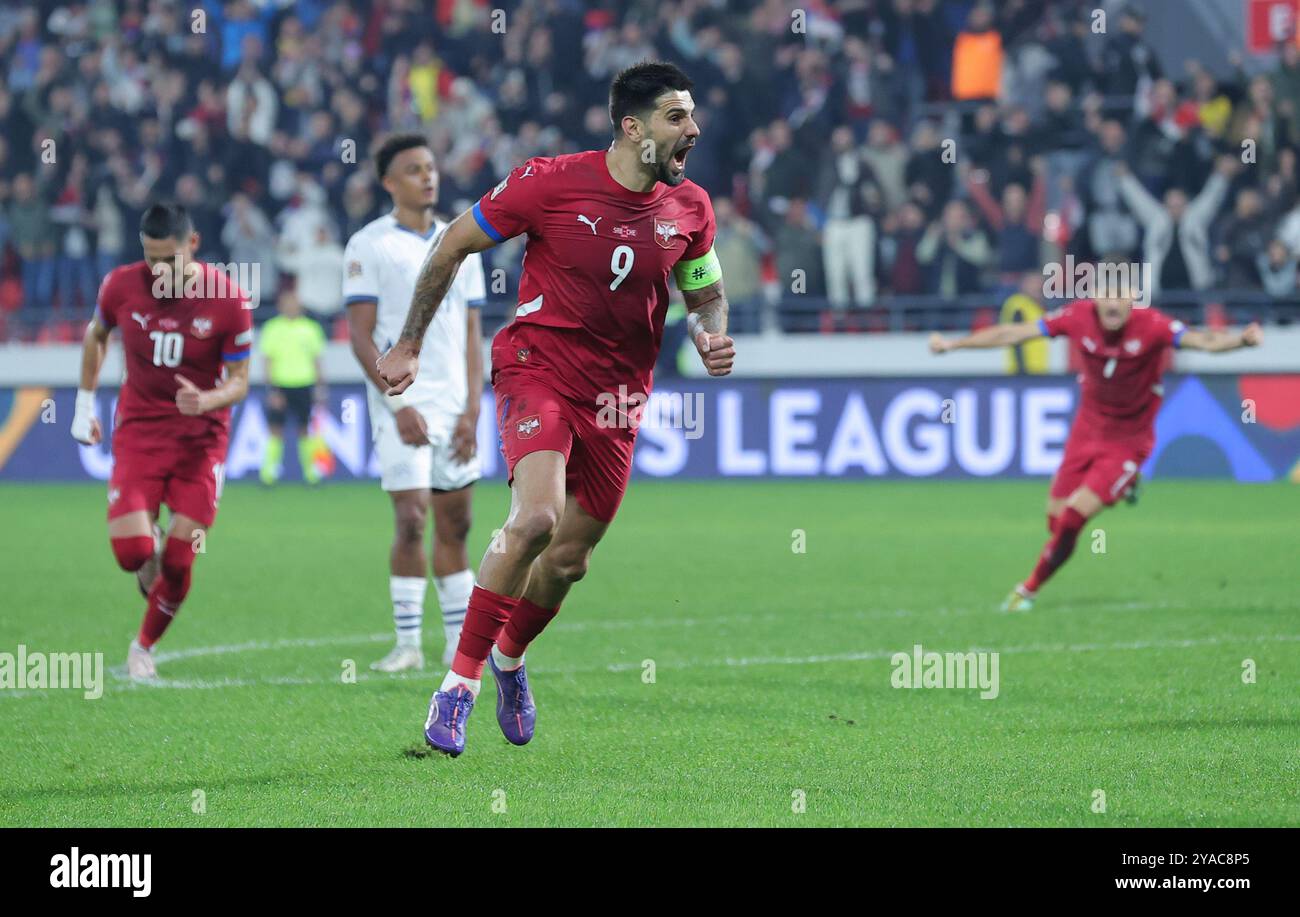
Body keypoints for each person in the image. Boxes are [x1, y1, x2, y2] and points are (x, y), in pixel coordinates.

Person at [376, 61, 735, 756]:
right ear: (632, 128)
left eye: (691, 114)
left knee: (569, 559)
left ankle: (509, 658)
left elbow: (706, 296)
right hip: (536, 369)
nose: (693, 128)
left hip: (619, 399)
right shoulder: (549, 182)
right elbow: (453, 243)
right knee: (537, 517)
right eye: (676, 116)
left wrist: (708, 333)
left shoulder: (690, 207)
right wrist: (410, 341)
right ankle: (458, 685)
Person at [928, 272, 1262, 611]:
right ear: (1094, 296)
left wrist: (1241, 341)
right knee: (1056, 523)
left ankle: (1026, 590)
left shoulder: (1153, 325)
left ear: (1133, 297)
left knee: (1074, 517)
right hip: (1086, 431)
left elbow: (1203, 341)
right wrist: (955, 345)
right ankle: (1126, 487)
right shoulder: (1077, 316)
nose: (1113, 303)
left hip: (1129, 441)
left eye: (1120, 295)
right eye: (1106, 294)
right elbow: (1013, 333)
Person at [69, 202, 253, 678]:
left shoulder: (228, 300)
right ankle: (146, 544)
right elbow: (96, 335)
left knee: (178, 557)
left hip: (201, 443)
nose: (159, 271)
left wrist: (208, 399)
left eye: (169, 260)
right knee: (133, 553)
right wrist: (84, 406)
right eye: (150, 259)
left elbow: (240, 382)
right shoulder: (120, 285)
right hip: (139, 435)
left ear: (193, 244)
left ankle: (143, 647)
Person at [345, 134, 486, 672]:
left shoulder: (462, 239)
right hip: (400, 405)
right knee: (411, 518)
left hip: (454, 405)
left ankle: (456, 644)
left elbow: (472, 334)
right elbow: (360, 337)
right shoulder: (369, 244)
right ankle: (407, 644)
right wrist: (395, 403)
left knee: (457, 525)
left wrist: (473, 410)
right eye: (413, 169)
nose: (427, 177)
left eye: (430, 167)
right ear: (388, 182)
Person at [258, 289, 329, 485]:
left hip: (304, 384)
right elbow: (267, 361)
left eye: (294, 303)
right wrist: (272, 390)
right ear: (280, 306)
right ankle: (268, 475)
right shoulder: (272, 328)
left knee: (305, 429)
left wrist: (320, 387)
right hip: (281, 385)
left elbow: (317, 361)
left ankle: (311, 475)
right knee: (275, 429)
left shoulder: (311, 328)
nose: (291, 307)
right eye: (287, 303)